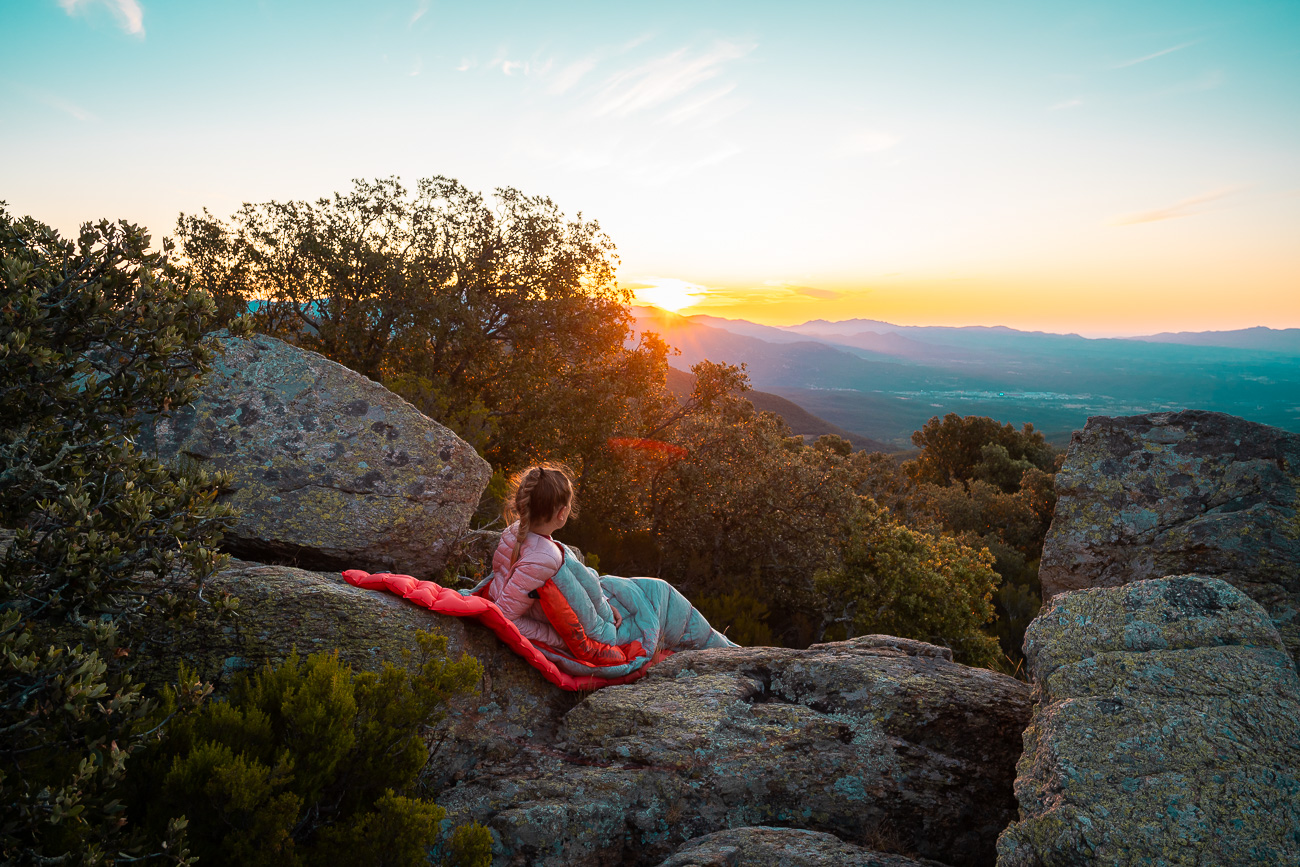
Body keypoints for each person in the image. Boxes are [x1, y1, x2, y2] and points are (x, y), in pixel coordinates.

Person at [486, 464, 734, 673]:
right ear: (561, 513)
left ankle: (729, 649)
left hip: (597, 608)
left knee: (651, 589)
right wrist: (558, 639)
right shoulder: (544, 558)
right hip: (605, 631)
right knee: (662, 597)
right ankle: (732, 656)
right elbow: (507, 616)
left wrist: (605, 602)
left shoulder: (514, 533)